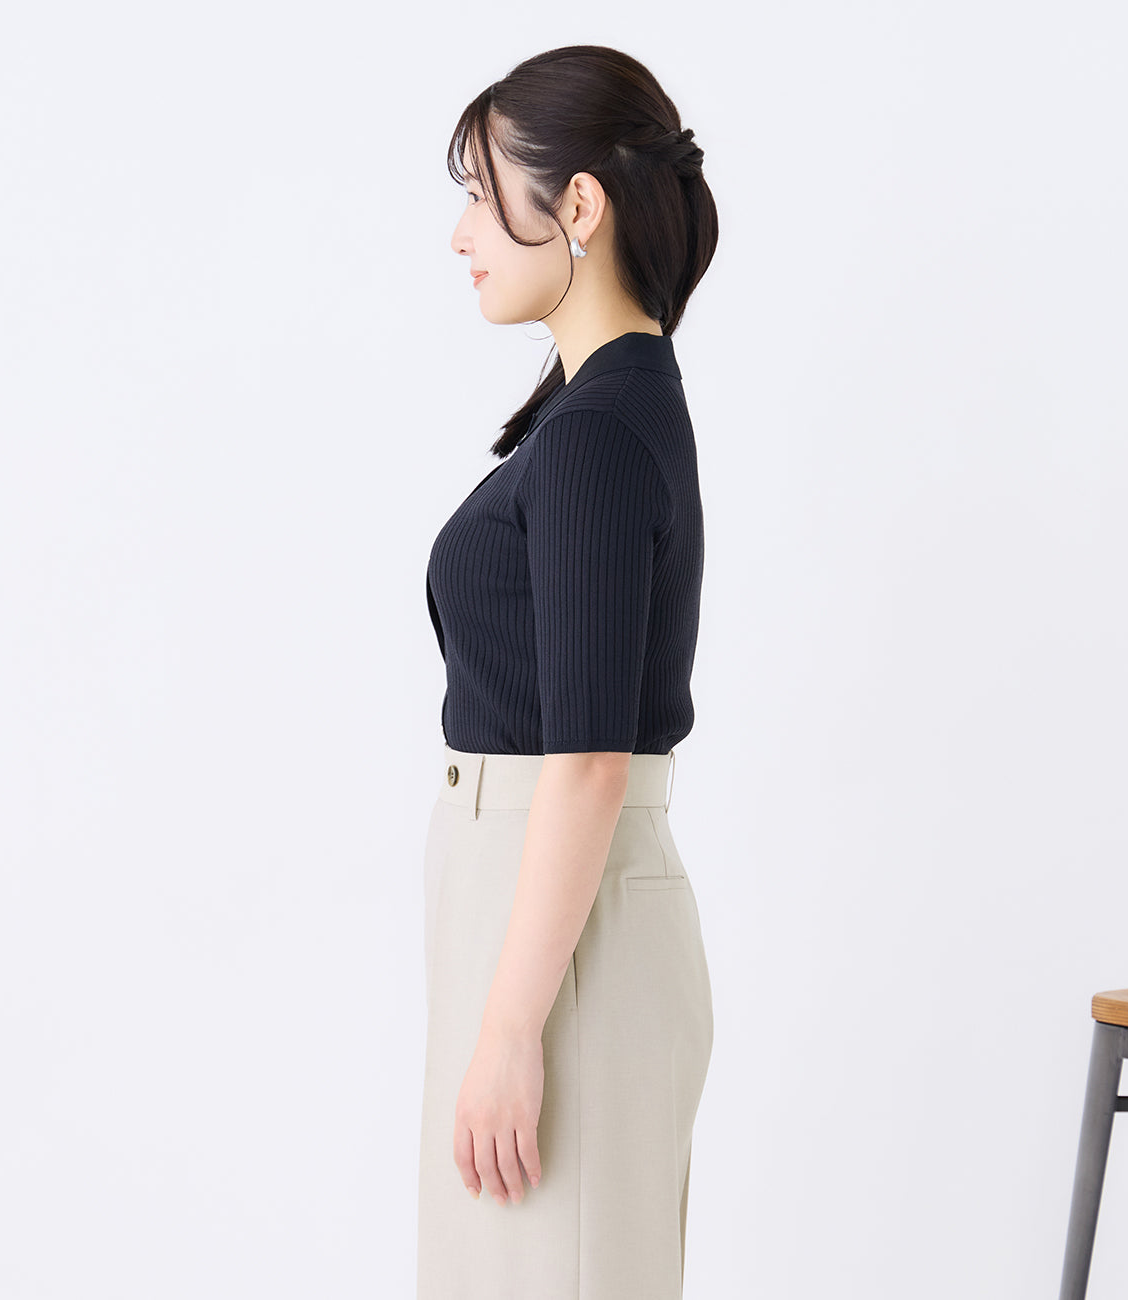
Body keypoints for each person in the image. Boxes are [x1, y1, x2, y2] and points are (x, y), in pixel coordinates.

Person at [417, 43, 718, 1300]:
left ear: (577, 204)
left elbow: (588, 761)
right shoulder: (594, 412)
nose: (460, 234)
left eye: (482, 195)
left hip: (563, 939)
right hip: (546, 924)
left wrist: (509, 1031)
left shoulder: (597, 434)